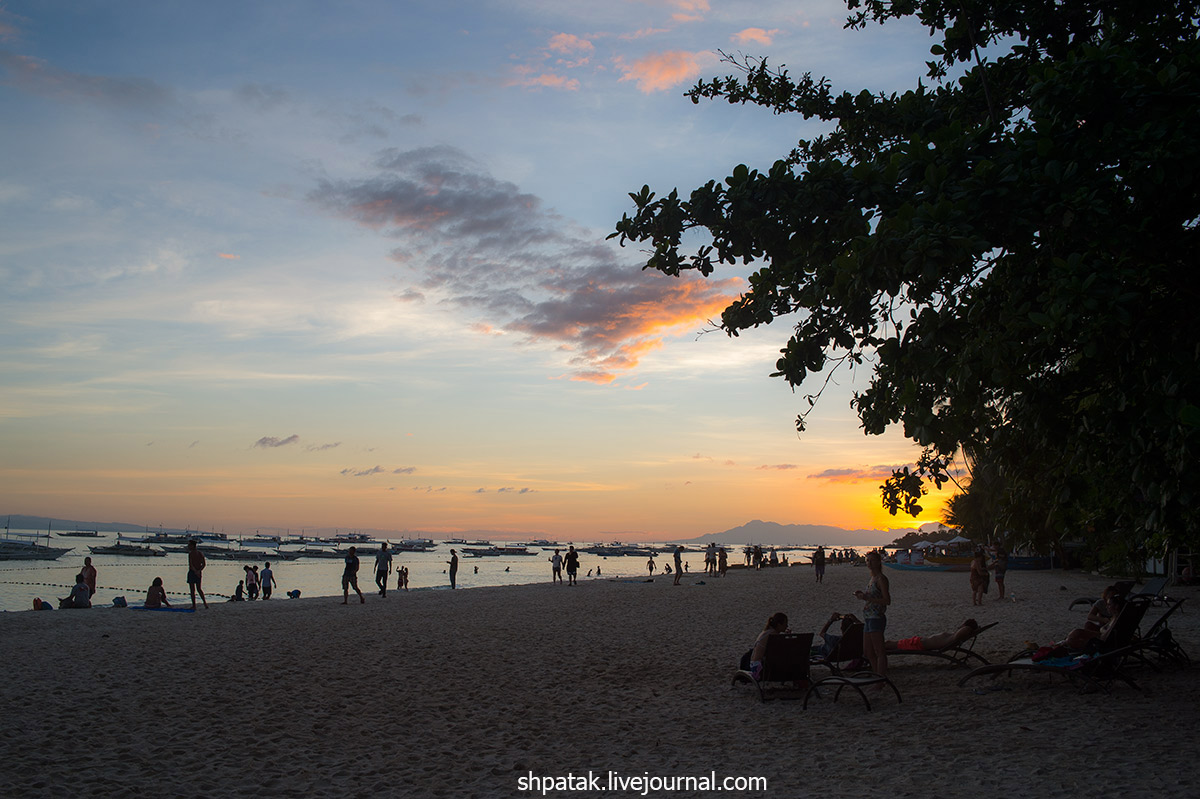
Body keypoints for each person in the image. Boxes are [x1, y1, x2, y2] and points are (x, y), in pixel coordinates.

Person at [854, 550, 891, 678]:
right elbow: (872, 595)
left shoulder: (881, 579)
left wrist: (866, 598)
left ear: (878, 562)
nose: (869, 563)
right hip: (868, 618)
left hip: (877, 617)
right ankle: (877, 676)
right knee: (868, 651)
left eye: (872, 560)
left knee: (879, 651)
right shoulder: (872, 578)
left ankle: (881, 679)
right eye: (867, 560)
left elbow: (887, 600)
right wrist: (864, 595)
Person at [886, 619, 980, 651]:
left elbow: (965, 630)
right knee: (890, 643)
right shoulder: (954, 635)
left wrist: (967, 627)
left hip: (918, 644)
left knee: (890, 644)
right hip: (919, 642)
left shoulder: (957, 634)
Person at [748, 612, 790, 680]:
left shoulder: (767, 632)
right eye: (785, 623)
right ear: (779, 624)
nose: (787, 626)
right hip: (761, 669)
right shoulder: (773, 635)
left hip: (755, 666)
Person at [186, 539, 208, 609]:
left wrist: (196, 571)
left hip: (193, 572)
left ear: (192, 546)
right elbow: (204, 564)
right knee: (199, 589)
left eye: (189, 545)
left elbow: (191, 565)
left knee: (192, 590)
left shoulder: (191, 553)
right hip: (198, 572)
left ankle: (194, 605)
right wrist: (199, 571)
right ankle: (205, 603)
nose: (188, 546)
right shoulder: (200, 553)